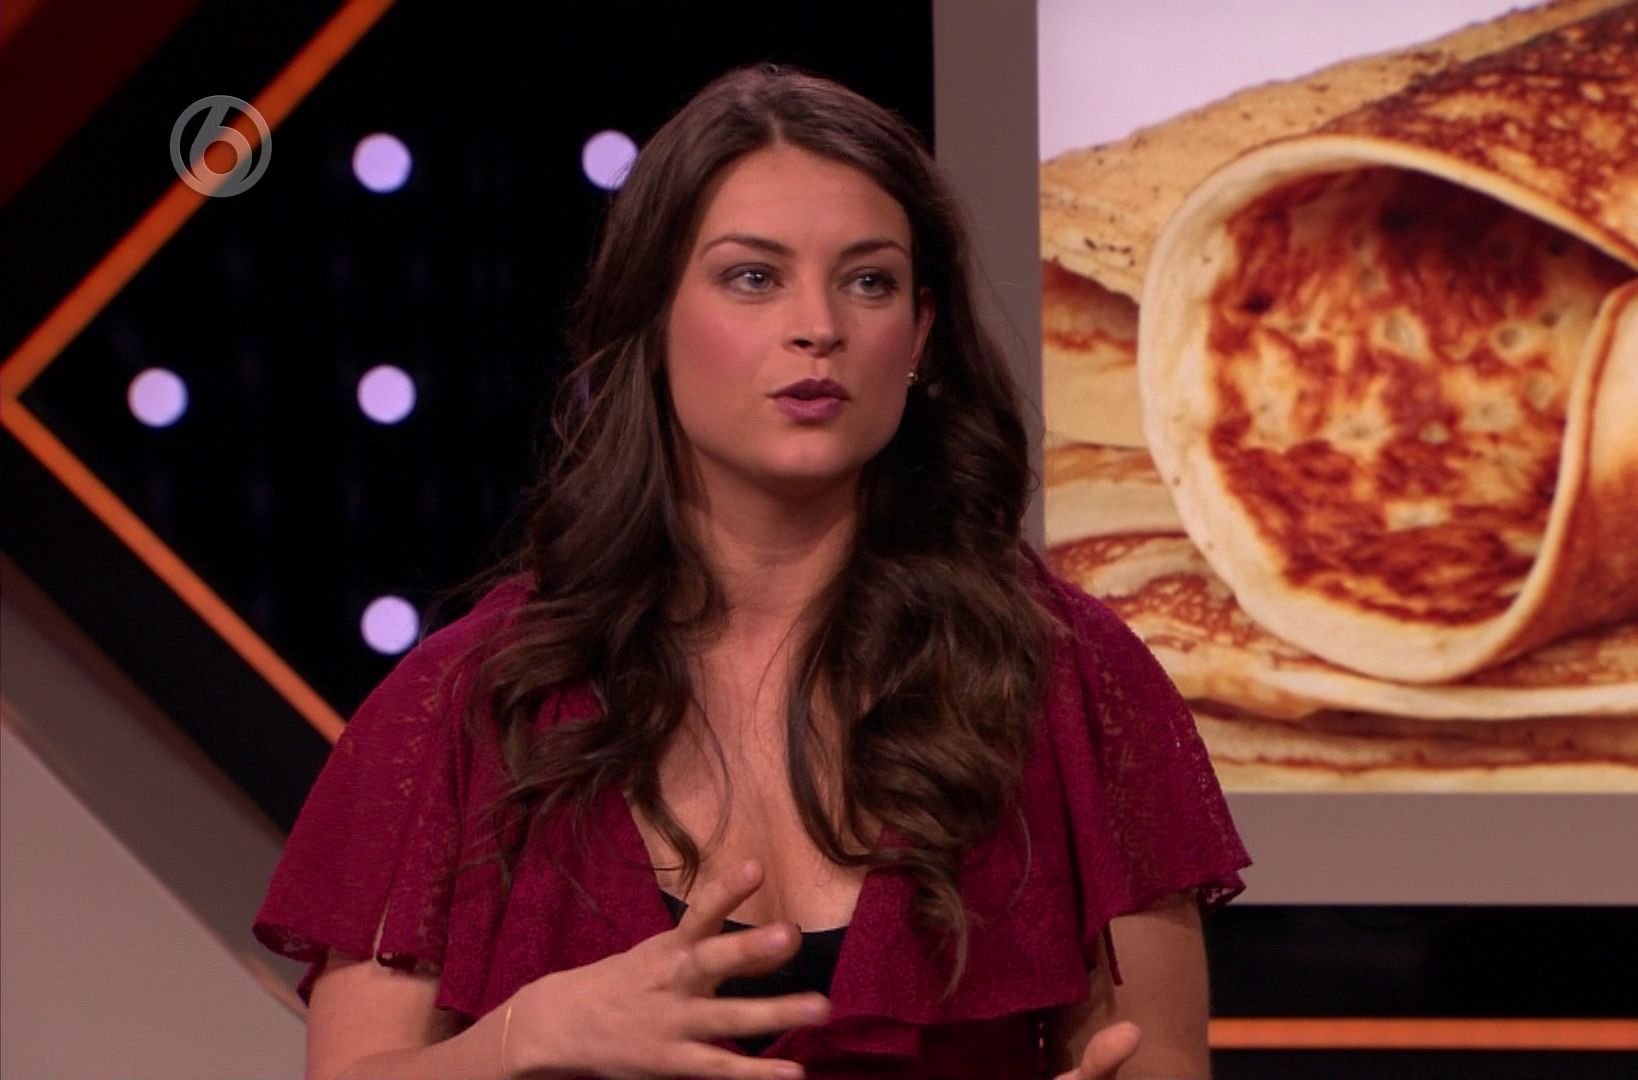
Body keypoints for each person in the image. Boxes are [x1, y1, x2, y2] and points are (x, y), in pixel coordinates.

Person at [255, 64, 1249, 1080]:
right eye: (753, 277)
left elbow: (1154, 1059)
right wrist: (529, 1038)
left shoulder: (1070, 676)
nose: (820, 325)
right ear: (652, 320)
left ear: (920, 335)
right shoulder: (468, 704)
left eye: (869, 281)